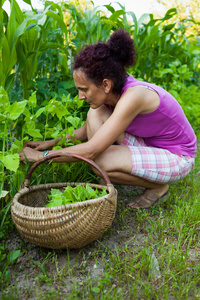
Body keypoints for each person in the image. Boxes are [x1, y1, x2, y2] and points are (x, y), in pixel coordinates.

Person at [19, 29, 197, 209]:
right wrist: (50, 143)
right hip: (149, 144)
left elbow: (90, 151)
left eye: (84, 89)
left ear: (105, 84)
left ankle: (158, 186)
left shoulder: (133, 97)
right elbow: (85, 131)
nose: (80, 96)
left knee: (98, 162)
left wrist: (40, 157)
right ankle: (112, 172)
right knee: (95, 113)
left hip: (178, 156)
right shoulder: (112, 95)